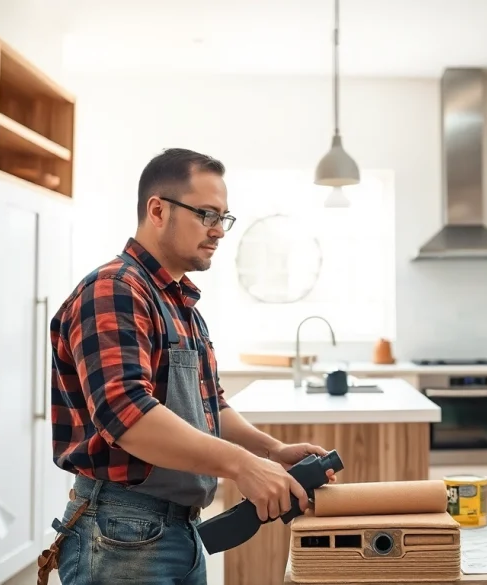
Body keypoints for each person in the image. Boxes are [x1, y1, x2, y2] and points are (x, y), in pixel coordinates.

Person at [36, 148, 336, 585]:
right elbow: (127, 417)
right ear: (157, 210)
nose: (219, 231)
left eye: (223, 218)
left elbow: (209, 404)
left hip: (178, 530)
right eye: (207, 215)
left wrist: (270, 451)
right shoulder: (114, 290)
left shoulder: (182, 304)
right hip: (121, 533)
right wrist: (241, 466)